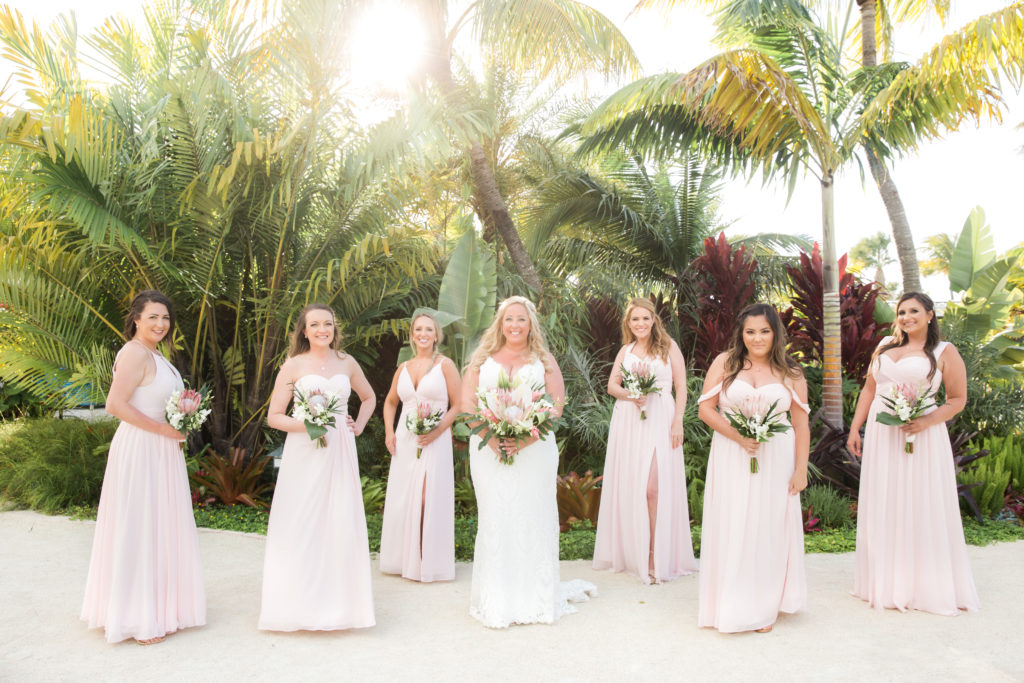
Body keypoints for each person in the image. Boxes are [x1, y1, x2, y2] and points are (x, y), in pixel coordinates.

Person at [461, 296, 595, 628]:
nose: (515, 325)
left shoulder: (544, 360)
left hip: (534, 450)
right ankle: (498, 596)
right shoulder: (482, 359)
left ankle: (535, 595)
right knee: (496, 515)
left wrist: (523, 438)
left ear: (531, 323)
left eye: (521, 319)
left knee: (532, 515)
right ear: (500, 323)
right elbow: (467, 405)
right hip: (487, 449)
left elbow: (556, 407)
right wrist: (490, 438)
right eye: (509, 319)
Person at [81, 290, 206, 644]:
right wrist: (165, 429)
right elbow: (115, 404)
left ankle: (160, 607)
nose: (160, 324)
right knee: (140, 525)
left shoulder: (156, 355)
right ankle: (135, 618)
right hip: (142, 448)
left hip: (162, 449)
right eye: (152, 317)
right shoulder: (134, 353)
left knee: (158, 524)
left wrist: (184, 416)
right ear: (136, 319)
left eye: (165, 318)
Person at [847, 291, 979, 615]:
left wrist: (925, 421)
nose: (906, 317)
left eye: (914, 311)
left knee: (920, 500)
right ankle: (887, 580)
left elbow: (957, 399)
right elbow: (869, 388)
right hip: (882, 434)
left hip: (922, 437)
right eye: (902, 311)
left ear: (930, 315)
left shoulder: (944, 351)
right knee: (886, 498)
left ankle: (923, 584)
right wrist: (855, 428)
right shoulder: (883, 347)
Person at [258, 303, 376, 631]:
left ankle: (341, 606)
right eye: (315, 325)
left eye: (328, 324)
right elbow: (274, 416)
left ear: (335, 328)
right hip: (304, 451)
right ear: (304, 331)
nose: (323, 329)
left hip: (339, 450)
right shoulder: (293, 366)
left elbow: (369, 398)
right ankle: (298, 603)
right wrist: (308, 425)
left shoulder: (347, 362)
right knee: (303, 520)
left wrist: (359, 425)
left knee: (339, 518)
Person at [696, 303, 808, 633]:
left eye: (764, 331)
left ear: (775, 333)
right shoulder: (726, 363)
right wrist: (739, 437)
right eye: (750, 332)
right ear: (740, 334)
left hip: (777, 456)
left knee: (769, 525)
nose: (757, 338)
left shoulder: (792, 372)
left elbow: (801, 424)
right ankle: (731, 600)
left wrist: (801, 469)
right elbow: (706, 409)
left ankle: (764, 604)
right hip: (732, 455)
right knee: (734, 522)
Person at [593, 297, 697, 584]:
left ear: (654, 321)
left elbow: (681, 386)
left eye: (645, 318)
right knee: (634, 487)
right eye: (634, 319)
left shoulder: (668, 347)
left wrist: (678, 421)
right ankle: (636, 554)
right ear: (629, 323)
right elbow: (613, 385)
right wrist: (630, 395)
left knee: (653, 488)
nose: (640, 323)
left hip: (661, 417)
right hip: (630, 419)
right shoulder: (626, 351)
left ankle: (655, 555)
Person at [380, 311, 459, 582]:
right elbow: (391, 402)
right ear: (412, 335)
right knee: (404, 498)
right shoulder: (403, 367)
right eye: (418, 330)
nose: (423, 334)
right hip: (405, 439)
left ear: (437, 335)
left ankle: (427, 561)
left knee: (427, 498)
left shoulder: (445, 365)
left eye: (428, 329)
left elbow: (459, 404)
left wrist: (437, 431)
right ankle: (404, 560)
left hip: (434, 439)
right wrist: (389, 432)